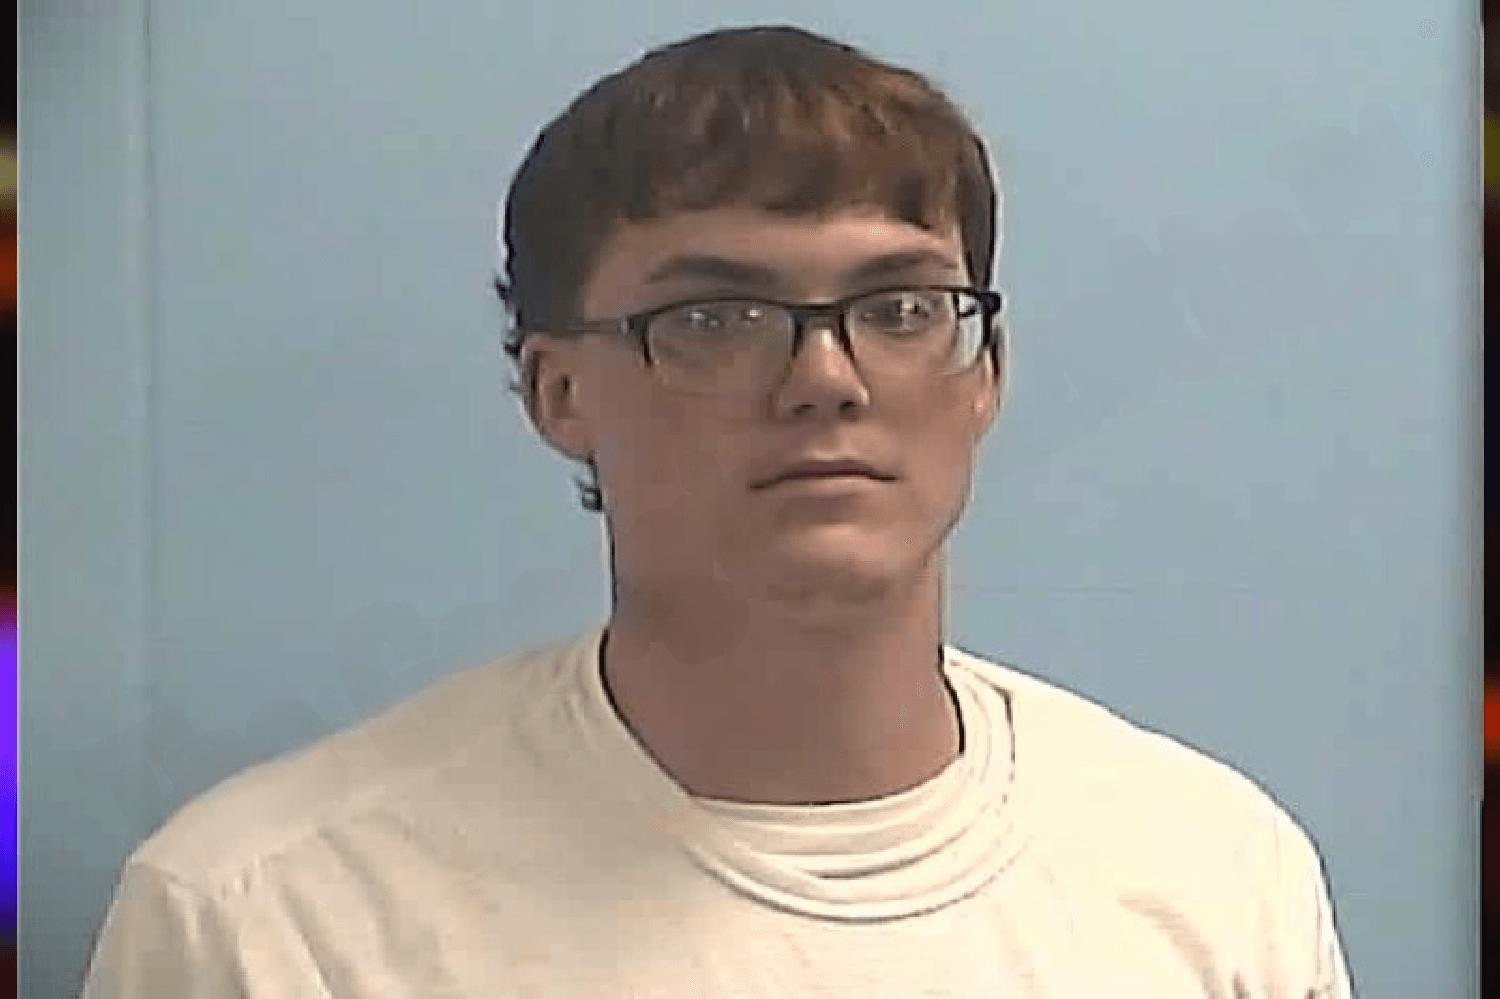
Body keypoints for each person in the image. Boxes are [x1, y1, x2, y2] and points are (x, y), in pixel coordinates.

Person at [81, 25, 1353, 997]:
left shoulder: (1214, 876)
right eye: (717, 317)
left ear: (985, 376)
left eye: (901, 307)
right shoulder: (270, 918)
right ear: (559, 390)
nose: (827, 377)